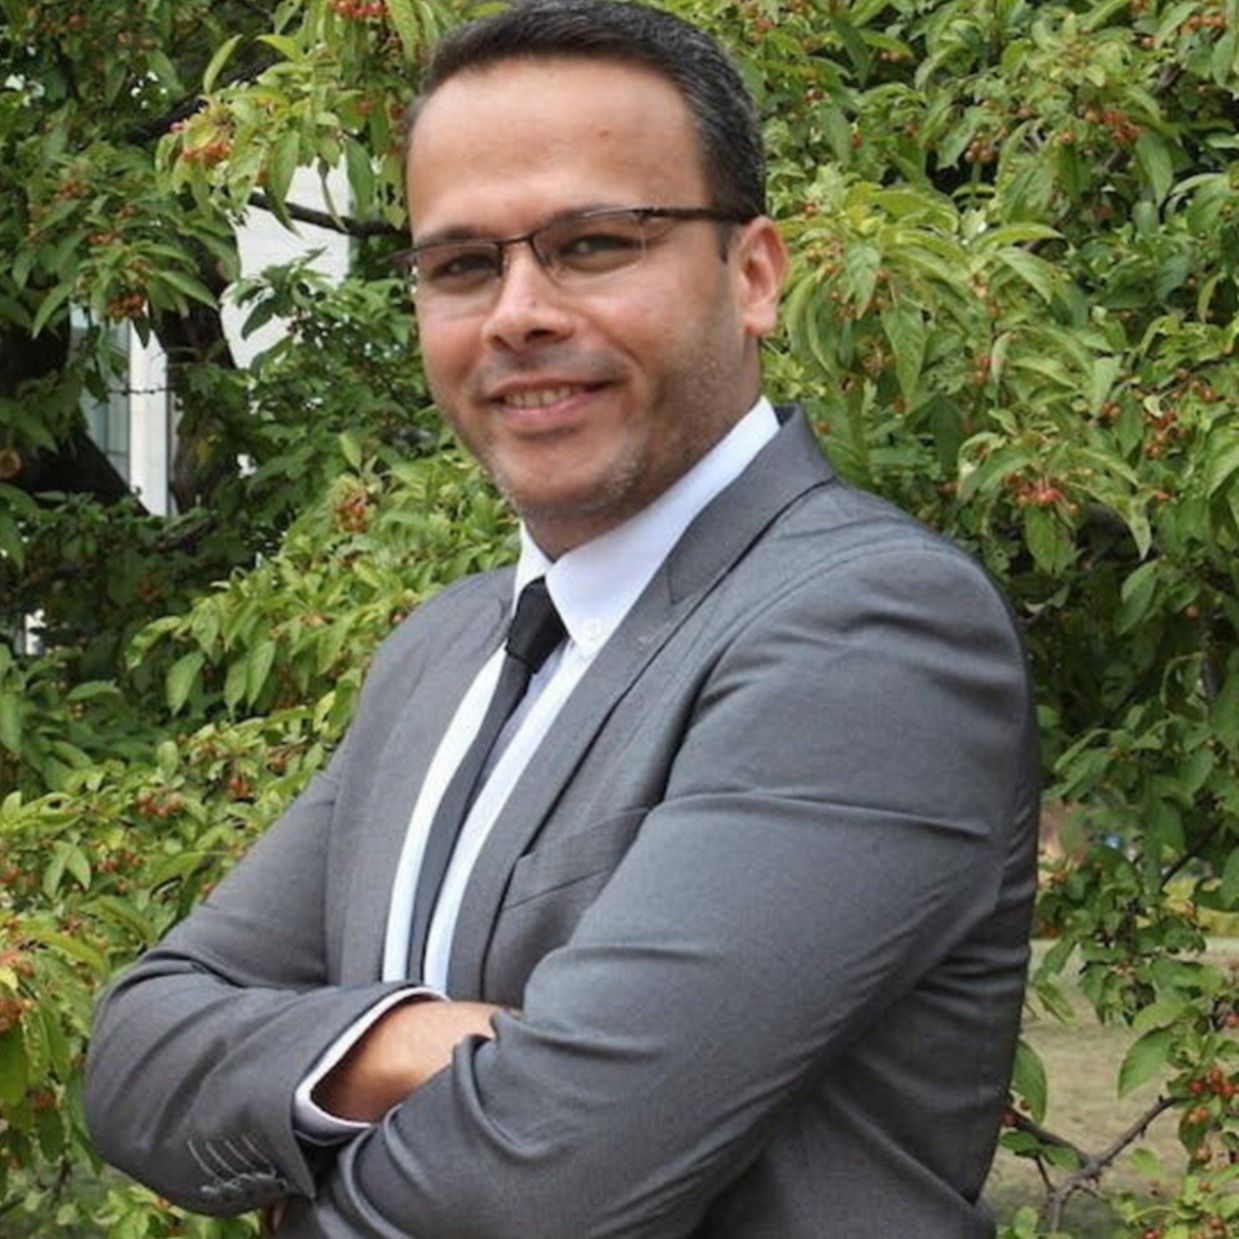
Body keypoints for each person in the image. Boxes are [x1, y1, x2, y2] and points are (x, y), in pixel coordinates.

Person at [85, 2, 1040, 1235]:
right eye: (462, 264)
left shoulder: (870, 631)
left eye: (593, 243)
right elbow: (136, 1051)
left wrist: (301, 1124)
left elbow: (534, 1185)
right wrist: (390, 1048)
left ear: (752, 277)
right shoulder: (440, 650)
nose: (517, 311)